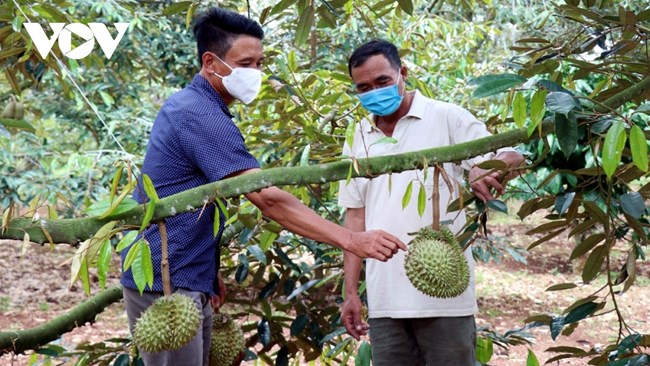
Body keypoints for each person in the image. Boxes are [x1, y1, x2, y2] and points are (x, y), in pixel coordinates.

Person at [120, 12, 406, 366]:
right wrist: (351, 239)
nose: (255, 72)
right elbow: (267, 198)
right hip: (165, 280)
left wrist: (206, 274)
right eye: (245, 63)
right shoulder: (199, 114)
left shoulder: (201, 107)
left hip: (185, 274)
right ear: (210, 62)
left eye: (259, 62)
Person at [338, 39, 524, 366]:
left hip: (446, 299)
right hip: (385, 298)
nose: (374, 92)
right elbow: (355, 217)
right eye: (363, 87)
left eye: (382, 81)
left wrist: (486, 169)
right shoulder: (359, 134)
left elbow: (513, 155)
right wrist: (351, 292)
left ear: (402, 73)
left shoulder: (447, 117)